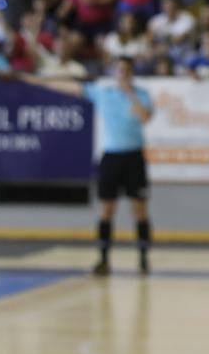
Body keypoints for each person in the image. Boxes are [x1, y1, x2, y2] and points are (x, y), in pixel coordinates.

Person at [25, 57, 155, 275]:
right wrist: (39, 81)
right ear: (114, 72)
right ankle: (103, 259)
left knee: (139, 209)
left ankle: (143, 258)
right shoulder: (103, 92)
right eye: (119, 70)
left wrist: (129, 93)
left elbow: (145, 117)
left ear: (131, 73)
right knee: (107, 209)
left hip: (134, 157)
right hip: (111, 156)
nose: (122, 74)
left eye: (126, 70)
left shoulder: (141, 95)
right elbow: (72, 88)